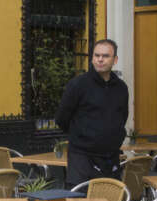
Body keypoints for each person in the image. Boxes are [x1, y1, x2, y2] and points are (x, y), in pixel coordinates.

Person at [55, 39, 129, 187]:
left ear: (115, 60)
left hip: (110, 158)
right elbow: (62, 118)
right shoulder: (78, 85)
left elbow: (122, 116)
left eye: (105, 56)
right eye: (97, 55)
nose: (100, 59)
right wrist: (83, 135)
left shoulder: (121, 88)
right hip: (82, 159)